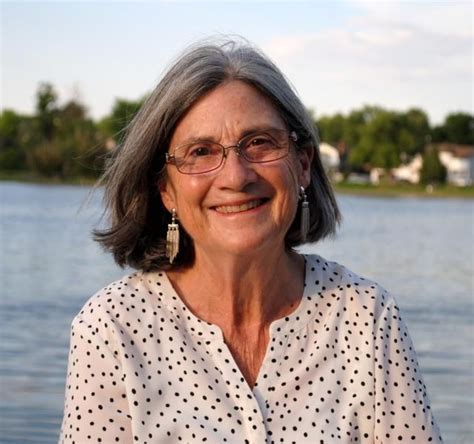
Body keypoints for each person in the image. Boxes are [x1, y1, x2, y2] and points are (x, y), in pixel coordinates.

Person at [59, 39, 442, 443]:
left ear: (303, 164)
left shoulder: (366, 318)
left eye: (259, 142)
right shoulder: (113, 329)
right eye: (201, 151)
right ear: (166, 191)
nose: (236, 176)